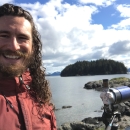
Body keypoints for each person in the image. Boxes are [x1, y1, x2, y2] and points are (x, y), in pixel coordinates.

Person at [0, 3, 56, 130]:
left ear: (33, 48)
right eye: (3, 35)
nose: (13, 46)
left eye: (22, 38)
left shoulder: (38, 93)